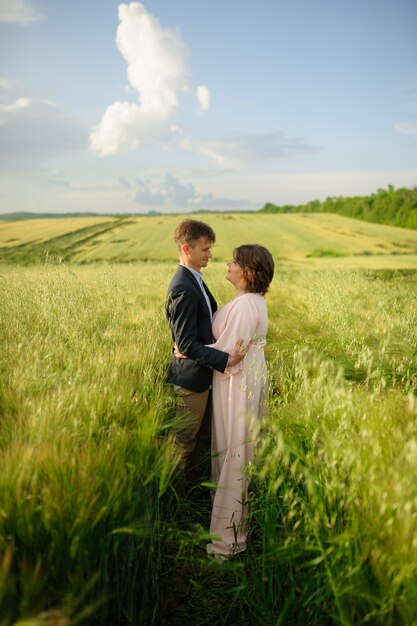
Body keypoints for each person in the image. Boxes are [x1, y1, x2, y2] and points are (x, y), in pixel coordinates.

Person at [175, 244, 274, 559]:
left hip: (236, 381)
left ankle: (227, 541)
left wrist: (186, 349)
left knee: (234, 449)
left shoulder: (246, 305)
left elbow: (230, 354)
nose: (226, 264)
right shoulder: (252, 301)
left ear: (247, 271)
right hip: (244, 376)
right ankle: (235, 521)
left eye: (233, 261)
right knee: (239, 449)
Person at [165, 219, 248, 488]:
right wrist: (226, 359)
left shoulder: (195, 281)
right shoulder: (183, 288)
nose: (210, 255)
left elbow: (193, 335)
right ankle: (174, 501)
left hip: (202, 375)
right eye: (205, 249)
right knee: (184, 442)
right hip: (191, 381)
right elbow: (186, 344)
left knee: (199, 440)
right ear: (187, 249)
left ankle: (190, 493)